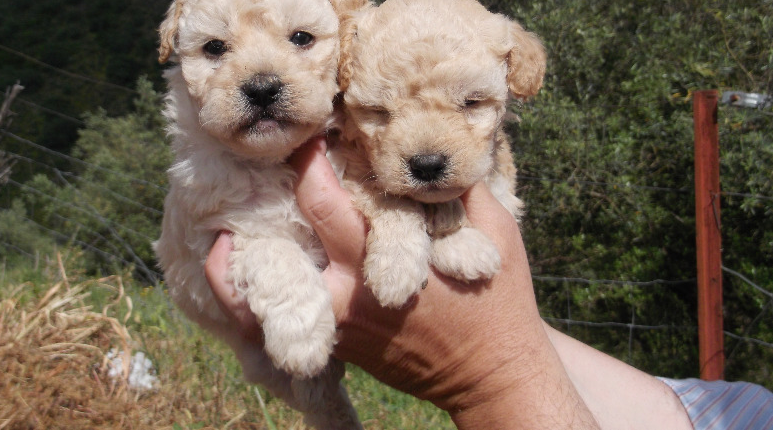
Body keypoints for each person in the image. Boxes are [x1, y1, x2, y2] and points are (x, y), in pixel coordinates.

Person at [205, 137, 771, 430]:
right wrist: (502, 334)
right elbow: (684, 416)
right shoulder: (738, 409)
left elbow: (504, 355)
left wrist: (486, 377)